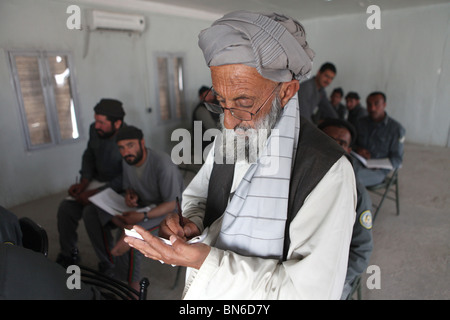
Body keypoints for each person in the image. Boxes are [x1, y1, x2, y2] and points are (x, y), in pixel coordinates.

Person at [124, 11, 356, 299]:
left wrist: (205, 261)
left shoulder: (328, 172)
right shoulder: (233, 132)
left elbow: (310, 293)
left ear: (287, 91)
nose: (229, 122)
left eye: (243, 102)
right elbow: (200, 195)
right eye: (221, 103)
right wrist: (191, 222)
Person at [83, 125, 184, 290]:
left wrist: (143, 217)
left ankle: (132, 289)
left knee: (129, 236)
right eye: (121, 148)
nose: (126, 152)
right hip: (143, 208)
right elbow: (130, 188)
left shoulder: (163, 163)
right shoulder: (128, 161)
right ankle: (109, 263)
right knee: (91, 212)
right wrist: (131, 196)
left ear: (142, 143)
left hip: (168, 213)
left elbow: (171, 204)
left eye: (130, 145)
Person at [56, 99, 126, 267]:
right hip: (95, 183)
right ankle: (69, 254)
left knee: (92, 214)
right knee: (65, 209)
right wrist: (84, 182)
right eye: (96, 120)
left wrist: (95, 194)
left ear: (117, 123)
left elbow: (126, 177)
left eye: (102, 122)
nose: (97, 126)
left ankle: (108, 262)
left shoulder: (129, 139)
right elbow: (88, 155)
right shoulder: (95, 131)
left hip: (119, 190)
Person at [318, 118, 373, 300]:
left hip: (331, 276)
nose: (334, 146)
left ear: (349, 150)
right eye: (327, 138)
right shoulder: (294, 178)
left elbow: (361, 249)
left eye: (341, 143)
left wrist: (335, 278)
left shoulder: (356, 192)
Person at [354, 92, 406, 187]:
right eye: (369, 105)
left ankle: (359, 201)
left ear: (384, 105)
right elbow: (352, 144)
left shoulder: (396, 129)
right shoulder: (361, 123)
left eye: (376, 104)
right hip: (359, 162)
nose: (372, 108)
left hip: (378, 170)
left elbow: (397, 160)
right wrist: (357, 149)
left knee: (352, 180)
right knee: (338, 171)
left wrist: (379, 164)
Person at [192, 86, 220, 152]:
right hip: (205, 146)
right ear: (201, 97)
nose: (210, 96)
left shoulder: (215, 107)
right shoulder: (201, 110)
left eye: (211, 94)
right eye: (207, 95)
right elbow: (212, 129)